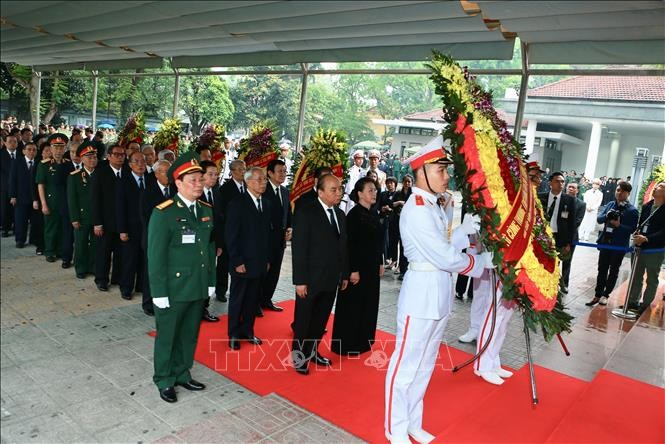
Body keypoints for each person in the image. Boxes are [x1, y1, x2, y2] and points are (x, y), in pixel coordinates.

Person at [384, 136, 492, 444]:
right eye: (440, 170)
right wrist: (482, 262)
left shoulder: (431, 204)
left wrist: (461, 231)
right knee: (406, 366)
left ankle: (413, 423)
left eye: (446, 170)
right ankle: (395, 428)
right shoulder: (417, 208)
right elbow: (442, 256)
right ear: (422, 172)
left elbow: (442, 244)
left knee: (426, 364)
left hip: (438, 295)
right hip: (420, 296)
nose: (446, 176)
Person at [148, 153, 215, 403]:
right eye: (193, 180)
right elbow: (155, 257)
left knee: (189, 334)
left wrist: (210, 281)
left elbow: (209, 249)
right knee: (168, 335)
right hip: (173, 288)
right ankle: (164, 379)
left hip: (196, 284)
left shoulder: (206, 210)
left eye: (201, 179)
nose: (199, 184)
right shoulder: (163, 213)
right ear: (178, 183)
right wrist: (159, 293)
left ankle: (182, 372)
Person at [291, 174, 349, 375]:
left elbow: (343, 247)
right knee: (304, 320)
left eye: (340, 189)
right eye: (333, 189)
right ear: (320, 191)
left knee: (320, 320)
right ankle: (299, 357)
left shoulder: (340, 214)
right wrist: (300, 281)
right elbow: (299, 248)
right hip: (310, 279)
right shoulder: (306, 212)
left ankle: (312, 351)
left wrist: (344, 275)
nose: (338, 193)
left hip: (331, 278)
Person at [331, 177, 384, 355]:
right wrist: (352, 270)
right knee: (352, 306)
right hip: (357, 270)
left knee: (368, 303)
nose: (374, 193)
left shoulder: (374, 213)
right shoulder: (353, 216)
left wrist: (381, 262)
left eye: (375, 190)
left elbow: (378, 242)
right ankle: (347, 344)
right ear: (360, 194)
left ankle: (363, 341)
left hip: (371, 268)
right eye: (370, 190)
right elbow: (349, 246)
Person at [225, 167, 273, 350]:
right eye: (260, 180)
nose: (263, 183)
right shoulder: (238, 203)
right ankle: (234, 334)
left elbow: (267, 235)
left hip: (259, 262)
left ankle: (248, 331)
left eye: (264, 180)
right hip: (242, 262)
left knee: (253, 299)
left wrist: (267, 259)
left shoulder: (266, 203)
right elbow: (231, 235)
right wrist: (237, 261)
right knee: (238, 299)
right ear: (248, 182)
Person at [586, 180, 639, 306]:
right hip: (606, 242)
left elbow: (632, 229)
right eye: (617, 190)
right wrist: (608, 217)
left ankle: (606, 294)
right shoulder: (610, 204)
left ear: (628, 193)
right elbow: (599, 219)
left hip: (619, 245)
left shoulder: (632, 210)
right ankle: (597, 294)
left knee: (614, 270)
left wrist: (619, 225)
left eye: (622, 191)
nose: (619, 193)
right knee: (602, 269)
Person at [91, 144, 128, 292]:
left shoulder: (127, 172)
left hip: (122, 222)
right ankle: (101, 279)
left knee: (120, 252)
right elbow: (94, 200)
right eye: (117, 155)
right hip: (105, 221)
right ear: (109, 156)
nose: (120, 157)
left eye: (122, 155)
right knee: (103, 252)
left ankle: (117, 278)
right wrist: (97, 223)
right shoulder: (100, 173)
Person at [139, 159, 173, 316]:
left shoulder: (175, 191)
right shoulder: (148, 192)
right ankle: (148, 303)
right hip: (154, 239)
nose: (169, 175)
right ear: (157, 174)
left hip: (173, 240)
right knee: (151, 272)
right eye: (165, 172)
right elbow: (146, 218)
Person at [625, 182, 665, 313]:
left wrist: (647, 238)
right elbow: (641, 224)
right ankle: (632, 302)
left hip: (655, 249)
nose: (656, 189)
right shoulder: (647, 206)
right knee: (636, 276)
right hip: (639, 247)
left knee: (651, 278)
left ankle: (645, 305)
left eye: (660, 187)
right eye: (657, 187)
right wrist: (638, 233)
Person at [260, 159, 292, 313]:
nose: (283, 174)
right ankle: (256, 303)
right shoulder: (263, 190)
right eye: (280, 171)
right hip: (265, 241)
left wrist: (290, 229)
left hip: (280, 241)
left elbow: (288, 214)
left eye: (285, 171)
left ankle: (267, 300)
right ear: (270, 173)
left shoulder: (285, 192)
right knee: (262, 273)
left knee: (274, 273)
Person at [116, 151, 148, 300]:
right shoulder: (124, 182)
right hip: (130, 228)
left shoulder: (151, 179)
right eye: (137, 161)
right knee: (129, 259)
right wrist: (122, 230)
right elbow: (119, 208)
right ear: (130, 165)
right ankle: (126, 288)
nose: (141, 164)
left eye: (143, 161)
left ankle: (141, 285)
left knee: (143, 258)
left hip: (147, 228)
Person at [538, 172, 576, 293]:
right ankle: (540, 285)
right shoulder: (540, 197)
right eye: (557, 181)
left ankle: (555, 287)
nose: (560, 184)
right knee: (541, 261)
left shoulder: (569, 200)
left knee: (556, 263)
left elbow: (572, 223)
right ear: (550, 183)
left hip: (559, 237)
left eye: (562, 182)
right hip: (543, 235)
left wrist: (568, 243)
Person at [36, 133, 70, 262]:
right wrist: (43, 204)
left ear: (65, 148)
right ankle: (49, 251)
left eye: (61, 147)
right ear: (50, 148)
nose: (58, 150)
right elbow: (41, 185)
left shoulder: (68, 164)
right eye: (55, 147)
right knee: (51, 227)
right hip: (51, 201)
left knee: (63, 227)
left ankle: (60, 250)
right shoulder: (44, 165)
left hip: (65, 201)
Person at [216, 159, 247, 302]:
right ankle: (221, 290)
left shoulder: (248, 186)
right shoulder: (225, 189)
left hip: (244, 232)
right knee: (224, 264)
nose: (243, 172)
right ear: (232, 172)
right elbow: (221, 213)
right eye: (240, 169)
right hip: (228, 231)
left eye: (244, 169)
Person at [67, 141, 98, 279]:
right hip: (82, 216)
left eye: (94, 157)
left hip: (97, 217)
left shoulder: (100, 174)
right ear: (82, 159)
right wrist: (74, 218)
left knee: (96, 244)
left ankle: (93, 266)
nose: (92, 160)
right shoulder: (75, 176)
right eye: (89, 157)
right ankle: (80, 268)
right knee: (81, 244)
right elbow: (72, 199)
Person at [197, 160, 221, 322]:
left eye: (216, 175)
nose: (214, 178)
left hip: (212, 244)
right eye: (210, 174)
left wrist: (219, 243)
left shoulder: (217, 193)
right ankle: (196, 309)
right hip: (198, 244)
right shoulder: (196, 194)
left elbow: (220, 220)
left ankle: (203, 307)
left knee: (208, 275)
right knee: (198, 276)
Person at [9, 141, 39, 248]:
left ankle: (33, 239)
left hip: (35, 197)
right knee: (21, 220)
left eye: (34, 150)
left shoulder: (39, 162)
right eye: (29, 149)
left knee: (35, 220)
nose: (32, 152)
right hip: (21, 196)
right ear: (23, 151)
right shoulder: (17, 162)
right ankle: (20, 240)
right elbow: (12, 180)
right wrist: (13, 195)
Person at [560, 182, 585, 293]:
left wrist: (565, 230)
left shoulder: (581, 204)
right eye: (569, 187)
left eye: (573, 187)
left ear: (577, 190)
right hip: (557, 234)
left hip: (571, 237)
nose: (570, 189)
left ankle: (564, 284)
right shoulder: (560, 199)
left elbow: (577, 222)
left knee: (567, 261)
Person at [393, 174, 413, 280]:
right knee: (401, 247)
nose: (407, 184)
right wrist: (399, 203)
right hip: (399, 223)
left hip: (410, 225)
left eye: (409, 182)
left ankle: (409, 270)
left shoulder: (414, 194)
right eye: (405, 181)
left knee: (409, 247)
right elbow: (392, 204)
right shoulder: (398, 194)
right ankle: (402, 270)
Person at [1, 134, 19, 237]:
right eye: (10, 141)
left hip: (18, 186)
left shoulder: (21, 154)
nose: (13, 143)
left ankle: (17, 227)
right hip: (5, 187)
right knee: (5, 208)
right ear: (4, 143)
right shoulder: (1, 154)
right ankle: (5, 228)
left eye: (15, 141)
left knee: (17, 208)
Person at [379, 177, 398, 268]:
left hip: (394, 220)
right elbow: (378, 205)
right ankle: (386, 258)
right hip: (383, 219)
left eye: (391, 183)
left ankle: (394, 260)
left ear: (395, 184)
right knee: (384, 239)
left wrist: (390, 209)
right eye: (388, 183)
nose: (390, 185)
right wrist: (382, 209)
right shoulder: (383, 194)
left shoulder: (398, 194)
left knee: (393, 240)